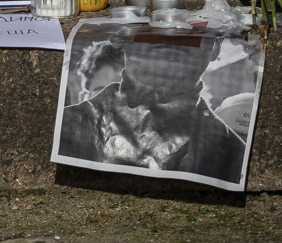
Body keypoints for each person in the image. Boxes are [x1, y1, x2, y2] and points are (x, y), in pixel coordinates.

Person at [56, 32, 247, 186]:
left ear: (215, 47)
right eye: (155, 24)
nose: (171, 35)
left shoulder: (233, 155)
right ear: (120, 37)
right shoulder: (66, 129)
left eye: (191, 28)